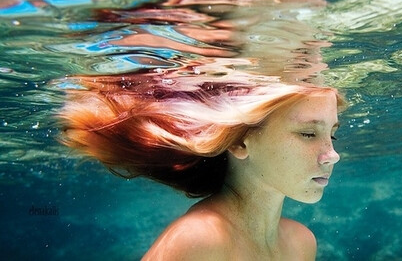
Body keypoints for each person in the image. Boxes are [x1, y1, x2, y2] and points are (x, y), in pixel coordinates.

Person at [58, 65, 346, 260]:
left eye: (332, 134)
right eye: (308, 133)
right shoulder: (199, 240)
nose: (332, 154)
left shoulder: (300, 243)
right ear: (239, 142)